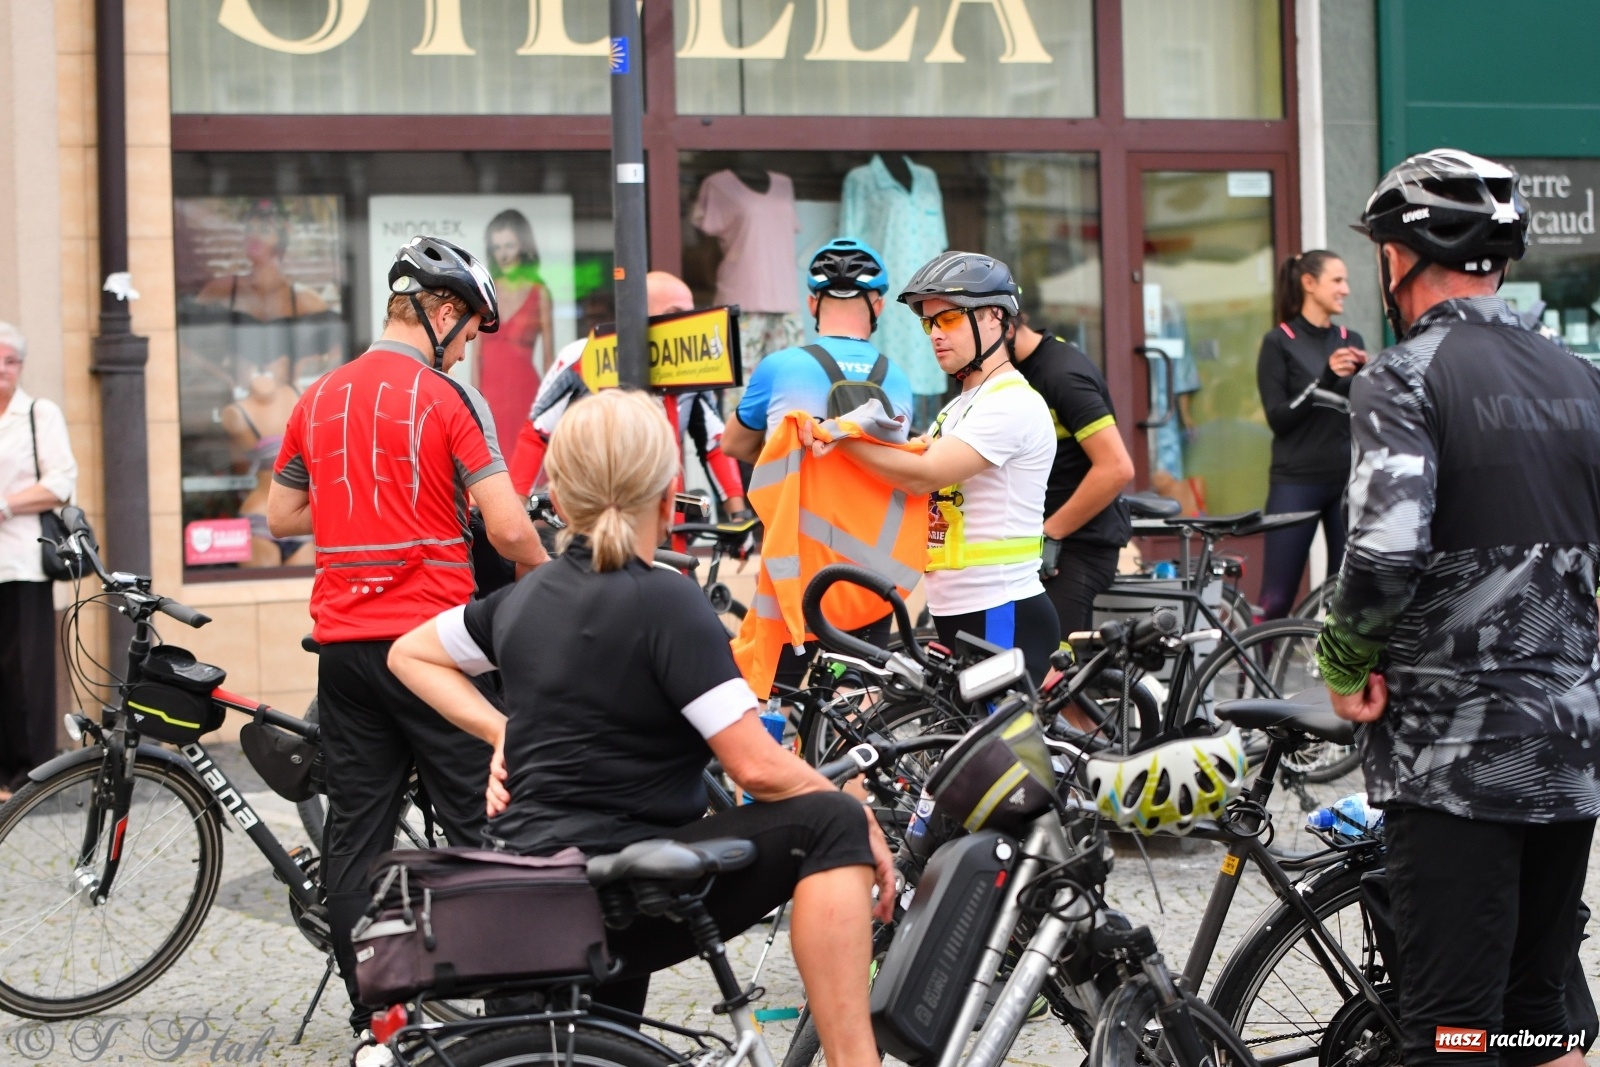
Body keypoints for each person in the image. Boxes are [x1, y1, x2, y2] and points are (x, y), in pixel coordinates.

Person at [387, 388, 893, 1067]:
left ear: (560, 501)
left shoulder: (518, 602)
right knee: (829, 822)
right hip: (619, 893)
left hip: (525, 893)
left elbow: (409, 652)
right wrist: (860, 818)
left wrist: (497, 729)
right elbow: (757, 768)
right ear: (668, 494)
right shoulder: (668, 598)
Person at [1318, 149, 1600, 1067]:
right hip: (1570, 747)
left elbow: (1386, 549)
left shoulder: (1402, 378)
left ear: (1395, 260)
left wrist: (1342, 662)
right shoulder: (1580, 378)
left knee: (1454, 1028)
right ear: (1500, 261)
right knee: (1543, 1011)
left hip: (1456, 755)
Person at [266, 236, 549, 1036]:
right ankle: (511, 1018)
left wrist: (367, 504)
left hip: (345, 654)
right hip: (432, 650)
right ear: (443, 311)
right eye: (466, 337)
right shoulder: (446, 400)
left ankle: (379, 1020)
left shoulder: (316, 398)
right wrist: (550, 577)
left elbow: (281, 516)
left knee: (356, 842)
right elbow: (507, 524)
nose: (463, 355)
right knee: (484, 830)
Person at [812, 252, 1058, 683]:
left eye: (948, 319)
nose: (934, 335)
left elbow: (922, 475)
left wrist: (836, 440)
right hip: (959, 609)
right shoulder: (961, 406)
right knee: (969, 746)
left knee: (1006, 749)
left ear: (994, 317)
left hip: (1001, 606)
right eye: (929, 323)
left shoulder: (1011, 403)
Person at [721, 239, 916, 687]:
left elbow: (734, 443)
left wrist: (790, 459)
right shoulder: (899, 378)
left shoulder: (780, 367)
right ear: (879, 305)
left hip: (793, 569)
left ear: (812, 302)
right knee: (856, 708)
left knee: (771, 695)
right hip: (870, 573)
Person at [507, 272, 748, 517]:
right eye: (676, 313)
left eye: (692, 312)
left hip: (666, 520)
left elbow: (715, 443)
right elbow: (536, 434)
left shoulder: (693, 365)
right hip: (594, 520)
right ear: (639, 312)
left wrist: (739, 518)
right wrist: (513, 519)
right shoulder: (584, 355)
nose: (689, 323)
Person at [1255, 250, 1366, 619]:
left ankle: (1339, 676)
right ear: (1309, 283)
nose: (1346, 290)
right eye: (1337, 280)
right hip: (1296, 483)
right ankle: (1251, 677)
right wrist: (1326, 378)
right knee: (1276, 598)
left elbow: (1363, 412)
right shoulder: (1279, 341)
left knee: (1345, 598)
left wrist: (1373, 381)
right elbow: (1278, 418)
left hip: (1345, 482)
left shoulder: (1352, 338)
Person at [1008, 316, 1134, 638]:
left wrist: (1050, 534)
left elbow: (1117, 468)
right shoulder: (1006, 373)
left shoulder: (1061, 372)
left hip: (1077, 546)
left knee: (1054, 673)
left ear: (1006, 328)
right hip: (1031, 543)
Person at [0, 323, 77, 801]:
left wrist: (4, 504)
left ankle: (30, 778)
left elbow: (59, 483)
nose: (0, 371)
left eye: (8, 361)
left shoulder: (38, 414)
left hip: (23, 560)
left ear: (21, 366)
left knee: (24, 672)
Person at [481, 209, 556, 455]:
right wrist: (474, 398)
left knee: (525, 465)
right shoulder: (485, 293)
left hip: (526, 394)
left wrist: (552, 407)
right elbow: (476, 353)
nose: (503, 254)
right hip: (490, 396)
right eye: (497, 247)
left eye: (509, 245)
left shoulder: (540, 293)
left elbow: (548, 360)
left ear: (523, 247)